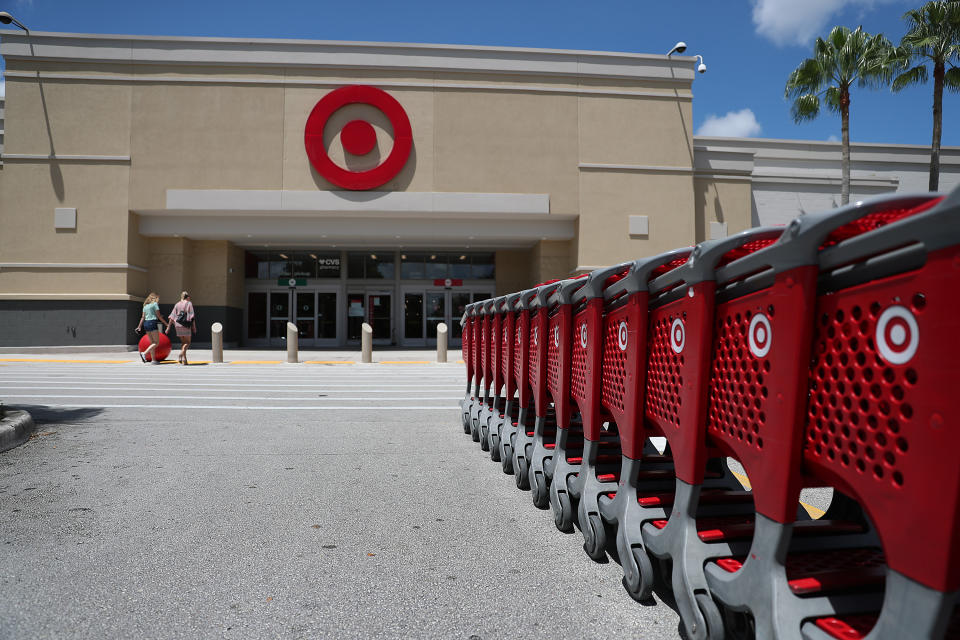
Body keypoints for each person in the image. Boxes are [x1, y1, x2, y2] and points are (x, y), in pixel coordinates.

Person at [136, 292, 168, 363]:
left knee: (152, 343)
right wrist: (166, 324)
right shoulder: (155, 304)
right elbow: (159, 316)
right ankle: (144, 353)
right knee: (156, 343)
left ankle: (153, 360)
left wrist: (139, 327)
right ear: (155, 298)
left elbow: (142, 317)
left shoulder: (145, 306)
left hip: (146, 324)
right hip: (152, 322)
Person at [167, 291, 196, 365]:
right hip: (185, 325)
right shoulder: (189, 303)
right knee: (188, 342)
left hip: (177, 325)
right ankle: (181, 354)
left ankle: (184, 360)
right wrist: (194, 327)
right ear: (187, 297)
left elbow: (171, 316)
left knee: (183, 343)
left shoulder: (177, 304)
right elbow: (192, 316)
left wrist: (168, 327)